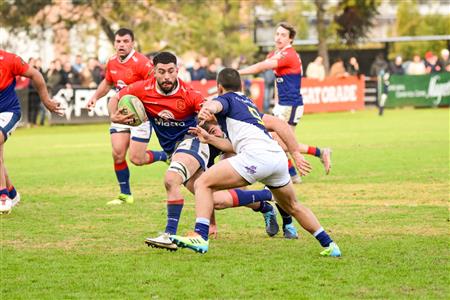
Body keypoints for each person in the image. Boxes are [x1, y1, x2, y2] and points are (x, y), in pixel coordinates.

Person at [108, 52, 276, 250]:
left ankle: (169, 235)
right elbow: (116, 97)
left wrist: (213, 125)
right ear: (154, 72)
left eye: (171, 71)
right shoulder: (142, 89)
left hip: (192, 140)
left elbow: (208, 111)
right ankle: (265, 201)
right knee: (214, 200)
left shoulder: (189, 94)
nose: (167, 77)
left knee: (171, 179)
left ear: (177, 71)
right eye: (161, 72)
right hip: (174, 151)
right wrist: (114, 115)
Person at [170, 68, 341, 257]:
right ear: (241, 85)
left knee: (203, 183)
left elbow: (215, 105)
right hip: (276, 159)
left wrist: (206, 109)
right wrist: (209, 139)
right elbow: (235, 144)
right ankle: (330, 245)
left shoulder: (227, 99)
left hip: (256, 158)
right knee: (293, 206)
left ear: (219, 87)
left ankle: (200, 236)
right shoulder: (248, 105)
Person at [237, 22, 332, 237]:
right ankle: (315, 156)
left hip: (290, 105)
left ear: (290, 39)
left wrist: (238, 72)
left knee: (279, 145)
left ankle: (289, 182)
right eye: (277, 34)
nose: (278, 37)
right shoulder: (278, 52)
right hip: (283, 105)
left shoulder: (287, 54)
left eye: (283, 35)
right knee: (279, 145)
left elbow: (262, 67)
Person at [86, 28, 167, 205]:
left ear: (132, 43)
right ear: (114, 43)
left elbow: (156, 84)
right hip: (121, 113)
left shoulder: (142, 63)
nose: (121, 44)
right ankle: (125, 194)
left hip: (140, 115)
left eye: (125, 41)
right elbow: (108, 82)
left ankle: (164, 156)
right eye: (118, 41)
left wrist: (151, 109)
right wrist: (95, 97)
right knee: (117, 153)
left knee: (137, 159)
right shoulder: (112, 62)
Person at [0, 49, 63, 214]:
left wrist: (46, 101)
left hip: (9, 112)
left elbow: (35, 74)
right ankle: (12, 194)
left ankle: (3, 197)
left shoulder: (9, 59)